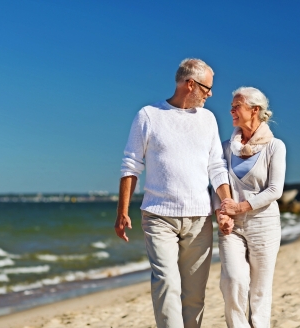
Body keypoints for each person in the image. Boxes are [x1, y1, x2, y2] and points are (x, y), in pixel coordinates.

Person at [114, 58, 233, 328]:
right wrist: (122, 212)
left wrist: (226, 204)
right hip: (158, 217)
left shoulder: (208, 119)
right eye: (207, 88)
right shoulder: (148, 115)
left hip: (199, 219)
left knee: (194, 296)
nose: (210, 94)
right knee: (167, 285)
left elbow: (217, 166)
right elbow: (131, 164)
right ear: (190, 84)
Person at [214, 87, 286, 327]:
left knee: (259, 290)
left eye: (237, 106)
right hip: (231, 227)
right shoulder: (225, 147)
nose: (231, 111)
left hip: (263, 225)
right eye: (232, 107)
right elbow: (216, 182)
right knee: (234, 281)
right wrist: (222, 214)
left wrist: (241, 207)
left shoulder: (275, 147)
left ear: (255, 110)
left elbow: (275, 190)